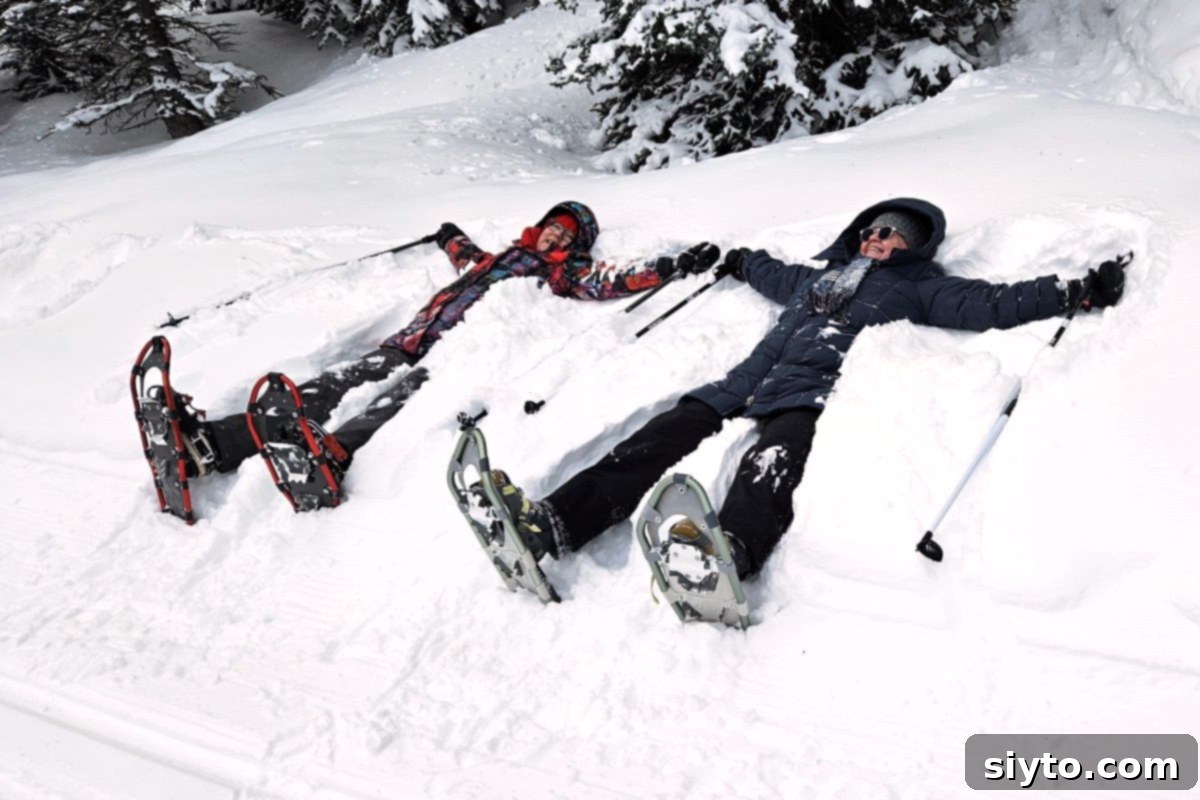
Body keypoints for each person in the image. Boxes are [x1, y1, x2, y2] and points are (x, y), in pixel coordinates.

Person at [477, 198, 1128, 586]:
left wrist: (1070, 293)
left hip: (808, 394)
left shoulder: (918, 287)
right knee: (655, 438)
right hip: (743, 380)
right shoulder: (820, 279)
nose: (877, 238)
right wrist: (739, 261)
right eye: (871, 230)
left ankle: (727, 554)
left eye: (891, 233)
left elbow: (989, 302)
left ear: (912, 245)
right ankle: (553, 523)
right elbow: (772, 272)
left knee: (772, 463)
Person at [151, 201, 719, 499]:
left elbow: (610, 282)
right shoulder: (495, 259)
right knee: (323, 390)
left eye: (570, 238)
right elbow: (464, 255)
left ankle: (330, 459)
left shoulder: (563, 274)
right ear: (538, 227)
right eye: (555, 229)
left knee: (383, 410)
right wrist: (449, 236)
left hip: (448, 360)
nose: (558, 239)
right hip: (406, 343)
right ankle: (209, 445)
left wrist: (665, 268)